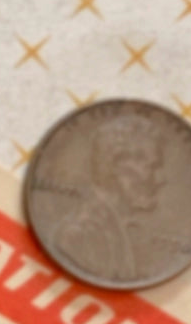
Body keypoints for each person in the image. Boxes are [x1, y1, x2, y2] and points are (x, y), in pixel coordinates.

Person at [53, 113, 164, 280]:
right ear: (117, 165)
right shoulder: (78, 235)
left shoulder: (117, 227)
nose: (160, 180)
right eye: (151, 167)